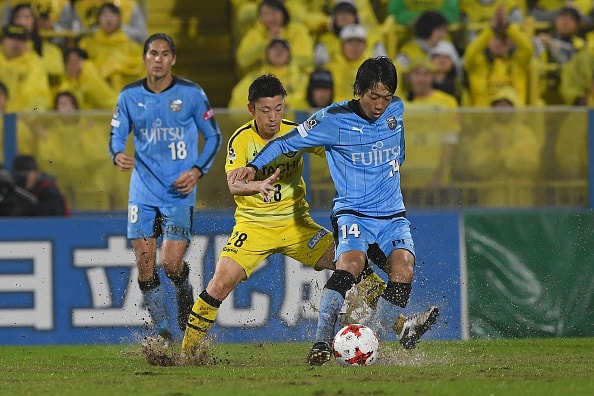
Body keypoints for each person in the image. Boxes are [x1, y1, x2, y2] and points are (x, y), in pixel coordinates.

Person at [227, 57, 440, 366]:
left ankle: (373, 340)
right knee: (351, 266)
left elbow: (400, 152)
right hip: (352, 213)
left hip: (393, 215)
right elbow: (286, 143)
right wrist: (253, 166)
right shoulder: (332, 119)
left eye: (386, 97)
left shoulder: (397, 112)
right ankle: (322, 343)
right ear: (358, 90)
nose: (380, 105)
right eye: (373, 96)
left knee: (403, 270)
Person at [181, 73, 386, 357]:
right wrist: (257, 185)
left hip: (297, 225)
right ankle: (187, 353)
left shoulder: (295, 133)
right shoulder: (241, 140)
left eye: (279, 108)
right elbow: (233, 184)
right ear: (252, 109)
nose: (273, 117)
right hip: (254, 227)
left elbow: (331, 149)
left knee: (353, 264)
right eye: (266, 110)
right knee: (220, 282)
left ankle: (398, 324)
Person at [108, 33, 223, 343]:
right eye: (152, 53)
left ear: (172, 59)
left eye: (163, 54)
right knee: (145, 261)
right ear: (145, 58)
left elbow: (213, 136)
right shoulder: (129, 96)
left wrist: (197, 170)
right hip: (143, 190)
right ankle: (162, 330)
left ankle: (185, 295)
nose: (157, 59)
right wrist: (117, 153)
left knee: (171, 263)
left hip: (179, 191)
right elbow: (117, 135)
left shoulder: (191, 94)